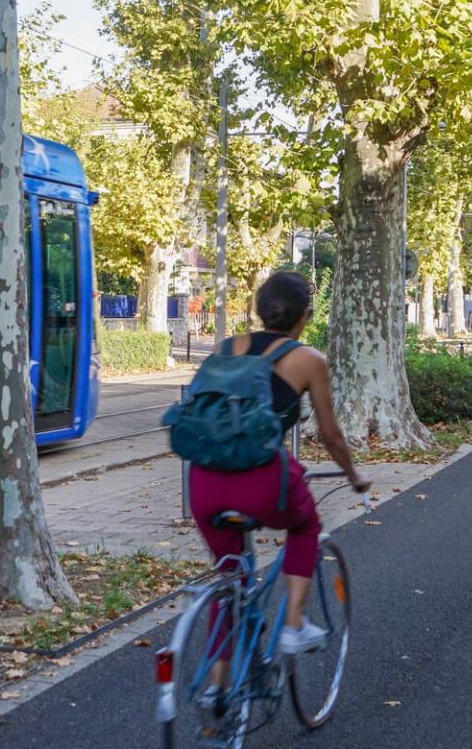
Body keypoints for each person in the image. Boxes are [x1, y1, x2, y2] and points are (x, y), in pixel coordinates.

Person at [186, 271, 371, 658]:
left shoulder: (225, 348)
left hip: (204, 482)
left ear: (260, 310)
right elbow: (331, 436)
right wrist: (354, 476)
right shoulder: (308, 359)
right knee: (306, 526)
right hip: (263, 480)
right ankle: (293, 625)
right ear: (305, 315)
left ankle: (217, 693)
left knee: (231, 577)